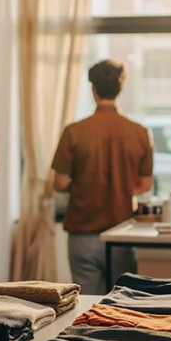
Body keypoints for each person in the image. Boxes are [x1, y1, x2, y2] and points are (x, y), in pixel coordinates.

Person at [52, 59, 154, 294]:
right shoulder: (139, 132)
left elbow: (60, 183)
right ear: (120, 88)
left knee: (87, 305)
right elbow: (145, 185)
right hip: (122, 232)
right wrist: (119, 184)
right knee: (122, 302)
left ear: (93, 89)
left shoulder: (74, 132)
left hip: (82, 233)